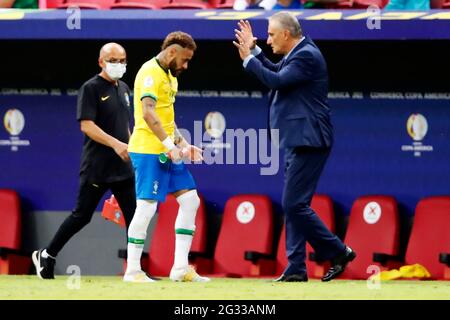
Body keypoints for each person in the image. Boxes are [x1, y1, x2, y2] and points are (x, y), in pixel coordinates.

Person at [233, 13, 356, 282]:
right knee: (295, 206)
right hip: (297, 140)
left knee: (294, 204)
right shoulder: (298, 53)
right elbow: (277, 72)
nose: (267, 40)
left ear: (286, 35)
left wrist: (248, 59)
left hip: (310, 140)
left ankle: (338, 251)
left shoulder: (307, 55)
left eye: (271, 35)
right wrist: (254, 52)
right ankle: (296, 267)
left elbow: (275, 81)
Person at [32, 43, 136, 280]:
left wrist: (132, 149)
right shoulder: (90, 88)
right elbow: (87, 125)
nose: (118, 65)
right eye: (113, 60)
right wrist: (116, 144)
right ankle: (46, 254)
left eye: (122, 60)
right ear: (101, 61)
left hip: (123, 167)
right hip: (97, 167)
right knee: (82, 216)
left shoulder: (124, 88)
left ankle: (134, 269)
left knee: (135, 216)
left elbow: (124, 126)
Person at [124, 31, 209, 283]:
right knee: (147, 208)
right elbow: (149, 115)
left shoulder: (171, 77)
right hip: (149, 150)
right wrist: (169, 146)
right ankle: (133, 271)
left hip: (167, 149)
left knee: (191, 200)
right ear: (172, 51)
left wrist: (184, 144)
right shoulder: (149, 72)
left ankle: (180, 269)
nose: (186, 65)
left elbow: (167, 121)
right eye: (184, 59)